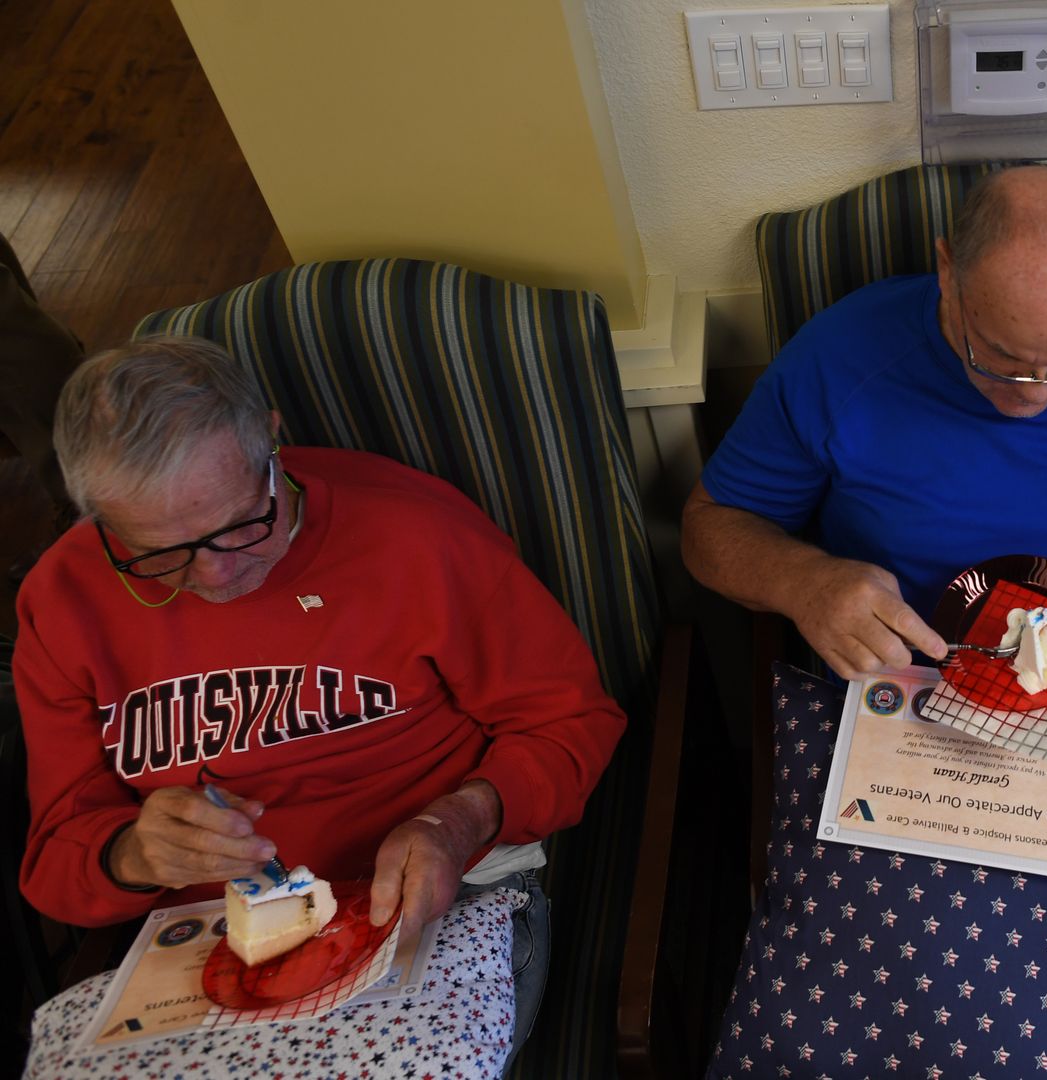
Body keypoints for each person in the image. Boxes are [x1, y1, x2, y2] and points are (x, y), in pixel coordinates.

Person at [682, 164, 1047, 1077]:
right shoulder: (844, 353)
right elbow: (711, 526)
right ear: (946, 274)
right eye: (999, 357)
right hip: (907, 721)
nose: (1036, 394)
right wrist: (804, 580)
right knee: (883, 1042)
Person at [16, 336, 628, 1055]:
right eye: (158, 555)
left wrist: (460, 820)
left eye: (242, 526)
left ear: (271, 441)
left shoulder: (416, 536)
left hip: (435, 890)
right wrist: (131, 854)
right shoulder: (62, 600)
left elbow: (572, 720)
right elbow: (57, 862)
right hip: (216, 933)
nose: (215, 577)